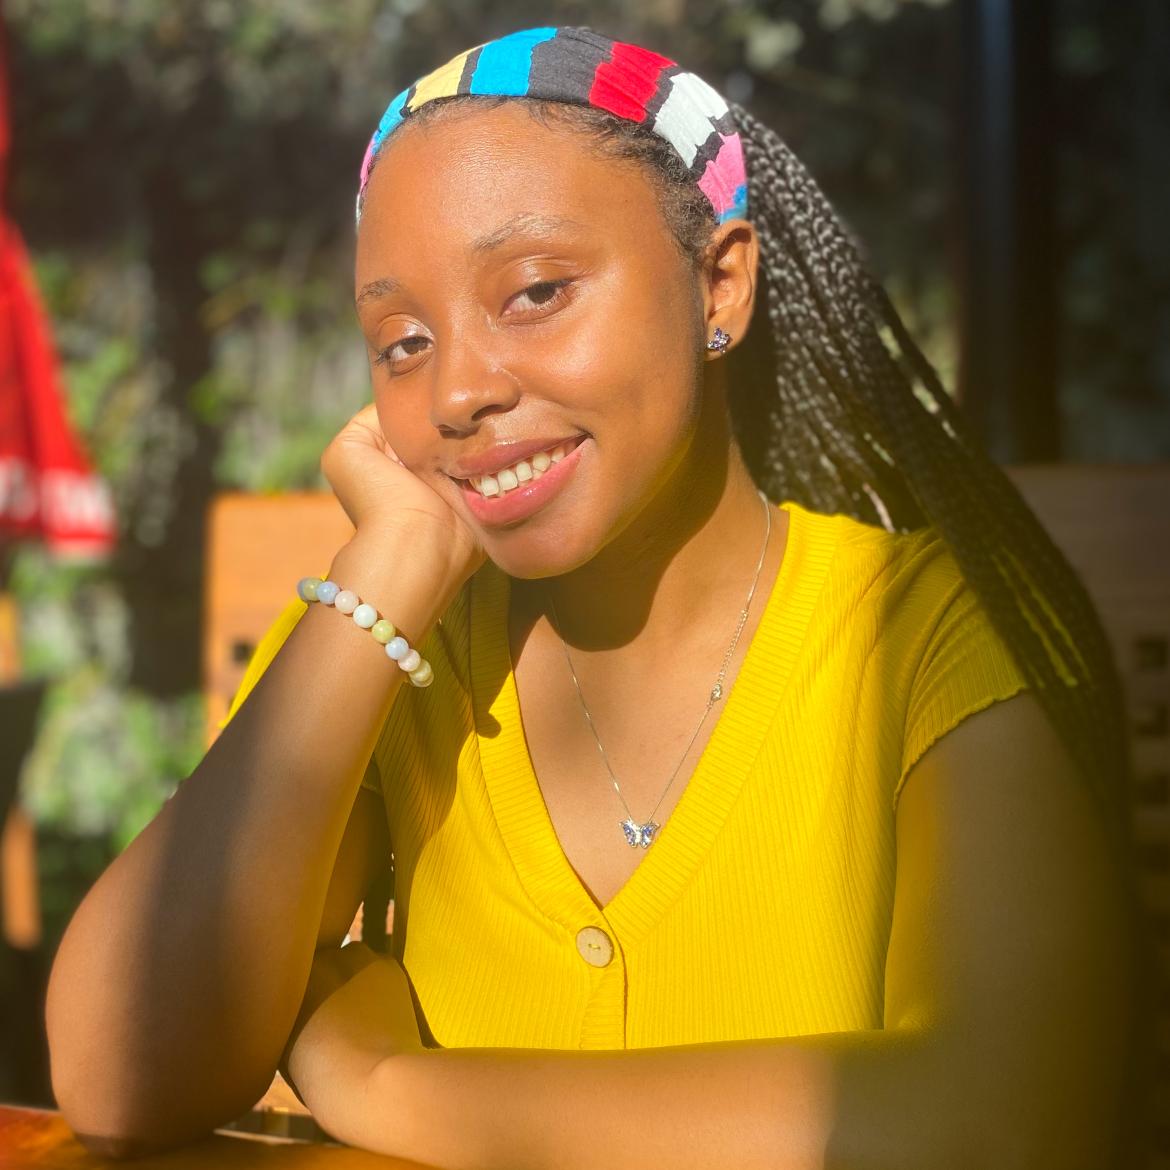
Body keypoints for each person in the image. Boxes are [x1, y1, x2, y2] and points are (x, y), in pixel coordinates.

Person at [45, 25, 1145, 1168]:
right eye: (403, 341)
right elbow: (122, 1078)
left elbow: (1000, 1126)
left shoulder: (924, 639)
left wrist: (390, 1088)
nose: (461, 389)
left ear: (720, 283)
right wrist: (387, 571)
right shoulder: (388, 650)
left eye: (534, 293)